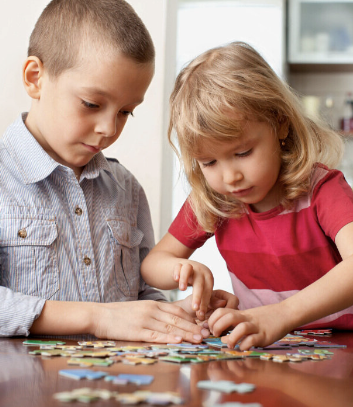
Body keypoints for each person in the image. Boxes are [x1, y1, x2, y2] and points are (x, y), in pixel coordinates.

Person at [0, 0, 230, 343]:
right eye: (92, 104)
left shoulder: (126, 189)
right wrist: (96, 317)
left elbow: (140, 301)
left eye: (125, 112)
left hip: (114, 392)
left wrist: (186, 316)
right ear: (35, 78)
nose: (108, 128)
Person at [141, 41, 353, 350]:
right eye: (209, 162)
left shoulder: (322, 188)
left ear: (280, 123)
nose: (230, 177)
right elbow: (152, 265)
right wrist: (182, 271)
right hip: (266, 352)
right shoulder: (216, 200)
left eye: (243, 152)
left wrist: (281, 315)